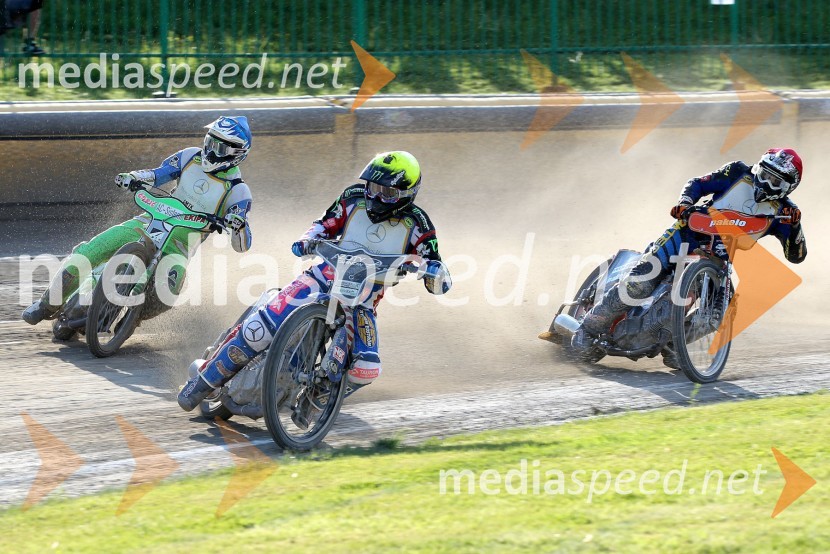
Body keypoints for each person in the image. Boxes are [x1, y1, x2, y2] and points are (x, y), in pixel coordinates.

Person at [177, 150, 452, 412]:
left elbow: (434, 261)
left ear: (407, 193)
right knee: (258, 328)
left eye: (387, 192)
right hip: (321, 278)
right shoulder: (353, 197)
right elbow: (323, 224)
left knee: (366, 367)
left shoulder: (418, 223)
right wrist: (308, 239)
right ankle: (204, 382)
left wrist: (433, 274)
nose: (375, 195)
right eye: (372, 186)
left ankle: (318, 398)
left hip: (363, 303)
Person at [571, 147, 807, 356]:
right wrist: (685, 202)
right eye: (765, 175)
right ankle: (589, 327)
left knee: (717, 315)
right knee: (640, 282)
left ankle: (675, 344)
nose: (766, 184)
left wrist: (795, 227)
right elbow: (698, 183)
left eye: (776, 182)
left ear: (788, 187)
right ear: (758, 167)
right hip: (685, 234)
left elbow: (796, 256)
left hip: (718, 260)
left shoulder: (787, 214)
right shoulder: (736, 171)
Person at [22, 116, 254, 325]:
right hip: (149, 220)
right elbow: (158, 173)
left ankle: (133, 321)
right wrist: (134, 177)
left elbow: (242, 245)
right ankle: (45, 305)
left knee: (165, 297)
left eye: (219, 147)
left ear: (236, 153)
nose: (210, 149)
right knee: (89, 252)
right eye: (210, 141)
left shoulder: (238, 191)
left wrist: (238, 225)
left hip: (180, 245)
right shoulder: (189, 156)